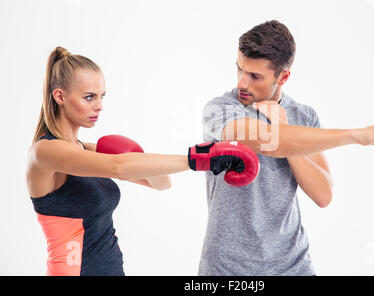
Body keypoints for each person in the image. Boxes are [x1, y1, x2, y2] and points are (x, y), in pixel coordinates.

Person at [26, 47, 259, 276]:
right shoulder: (46, 152)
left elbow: (161, 183)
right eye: (89, 97)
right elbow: (118, 167)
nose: (99, 106)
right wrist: (201, 158)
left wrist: (139, 155)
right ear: (60, 96)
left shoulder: (86, 150)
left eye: (101, 96)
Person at [199, 20, 374, 275]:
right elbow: (268, 142)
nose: (242, 82)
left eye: (255, 76)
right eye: (239, 69)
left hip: (292, 265)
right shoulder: (221, 109)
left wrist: (283, 126)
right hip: (228, 268)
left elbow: (323, 195)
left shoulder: (303, 116)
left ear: (283, 76)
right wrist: (357, 135)